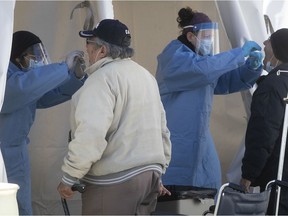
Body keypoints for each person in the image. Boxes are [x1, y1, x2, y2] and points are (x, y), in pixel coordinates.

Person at [57, 19, 172, 215]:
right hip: (149, 176)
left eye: (89, 44)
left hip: (115, 181)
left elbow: (90, 135)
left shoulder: (100, 80)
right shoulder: (145, 76)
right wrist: (159, 169)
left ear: (101, 50)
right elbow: (162, 129)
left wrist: (69, 177)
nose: (86, 49)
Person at [155, 7, 263, 192]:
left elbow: (226, 80)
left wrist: (251, 68)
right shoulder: (173, 58)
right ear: (190, 36)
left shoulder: (203, 61)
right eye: (206, 36)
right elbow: (201, 70)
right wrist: (239, 53)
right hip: (176, 140)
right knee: (175, 198)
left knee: (207, 191)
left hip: (200, 139)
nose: (210, 41)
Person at [0, 30, 86, 215]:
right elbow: (16, 92)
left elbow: (47, 95)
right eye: (32, 55)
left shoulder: (25, 78)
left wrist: (75, 78)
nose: (36, 60)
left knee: (20, 205)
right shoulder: (6, 76)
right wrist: (63, 68)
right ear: (16, 56)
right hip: (3, 152)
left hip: (16, 152)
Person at [240, 28, 288, 215]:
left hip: (279, 179)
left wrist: (248, 175)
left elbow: (263, 134)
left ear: (278, 50)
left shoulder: (273, 85)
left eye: (268, 40)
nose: (264, 44)